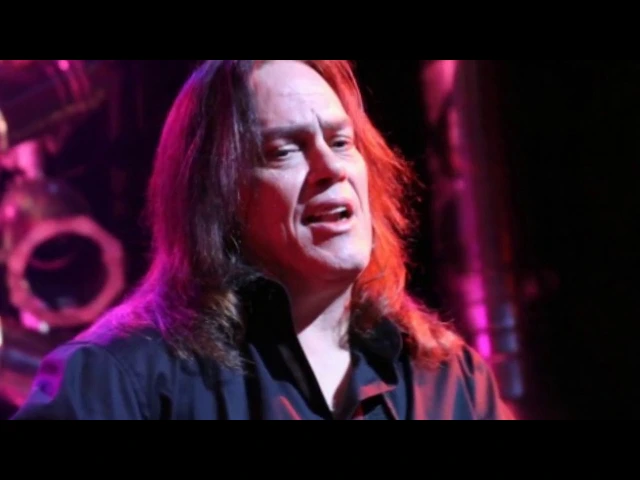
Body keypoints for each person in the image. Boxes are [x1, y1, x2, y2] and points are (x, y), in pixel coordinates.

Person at [11, 60, 514, 420]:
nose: (331, 167)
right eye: (283, 151)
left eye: (341, 142)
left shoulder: (450, 380)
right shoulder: (117, 381)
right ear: (218, 198)